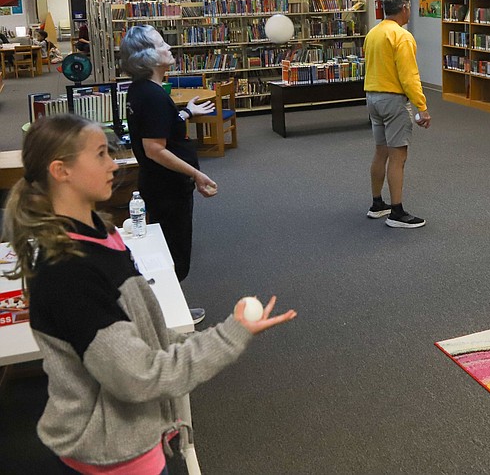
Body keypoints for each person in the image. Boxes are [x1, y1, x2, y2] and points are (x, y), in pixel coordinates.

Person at [0, 113, 296, 474]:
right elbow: (138, 376)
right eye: (100, 155)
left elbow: (141, 334)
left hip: (134, 443)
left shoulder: (101, 233)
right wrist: (228, 337)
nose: (113, 165)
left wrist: (205, 340)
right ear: (61, 171)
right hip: (112, 459)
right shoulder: (69, 272)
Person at [120, 25, 216, 323]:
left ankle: (165, 311)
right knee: (173, 252)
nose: (169, 48)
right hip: (167, 187)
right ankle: (168, 316)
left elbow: (159, 126)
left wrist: (186, 113)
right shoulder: (152, 96)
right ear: (147, 56)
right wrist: (196, 174)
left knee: (167, 247)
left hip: (159, 184)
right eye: (162, 44)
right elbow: (155, 149)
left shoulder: (142, 90)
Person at [363, 0, 430, 228]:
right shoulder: (402, 36)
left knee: (380, 152)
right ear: (404, 8)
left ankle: (377, 204)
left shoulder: (373, 33)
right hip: (393, 101)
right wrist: (422, 107)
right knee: (398, 157)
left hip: (372, 98)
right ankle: (397, 213)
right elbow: (409, 76)